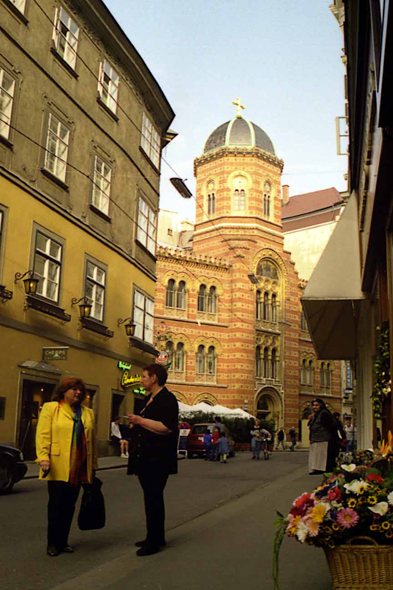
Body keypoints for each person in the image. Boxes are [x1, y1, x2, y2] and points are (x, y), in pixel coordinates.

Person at [35, 377, 98, 557]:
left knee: (70, 505)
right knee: (56, 505)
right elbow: (43, 434)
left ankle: (63, 541)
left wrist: (93, 466)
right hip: (56, 464)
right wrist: (43, 457)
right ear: (64, 391)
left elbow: (92, 441)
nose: (78, 393)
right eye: (73, 389)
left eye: (80, 390)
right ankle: (53, 543)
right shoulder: (51, 408)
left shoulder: (88, 412)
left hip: (79, 467)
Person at [127, 364, 179, 556]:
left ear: (154, 378)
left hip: (158, 458)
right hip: (145, 456)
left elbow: (166, 427)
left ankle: (154, 541)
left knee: (154, 497)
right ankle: (155, 536)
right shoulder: (147, 399)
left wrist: (140, 421)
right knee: (150, 497)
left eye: (144, 376)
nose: (141, 380)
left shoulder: (167, 399)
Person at [308, 398, 338, 474]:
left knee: (321, 456)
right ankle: (316, 469)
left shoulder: (324, 413)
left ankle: (320, 469)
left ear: (321, 405)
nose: (314, 407)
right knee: (316, 455)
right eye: (313, 405)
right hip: (315, 439)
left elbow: (331, 426)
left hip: (323, 438)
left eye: (316, 405)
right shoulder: (316, 414)